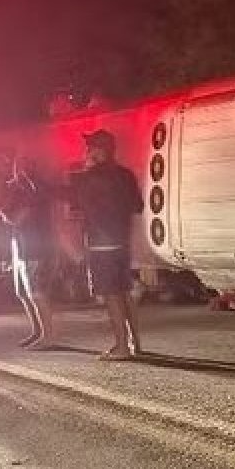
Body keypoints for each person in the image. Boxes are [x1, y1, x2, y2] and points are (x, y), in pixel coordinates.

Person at [69, 130, 143, 359]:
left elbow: (76, 208)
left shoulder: (88, 177)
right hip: (122, 240)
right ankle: (134, 343)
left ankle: (121, 347)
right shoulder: (125, 174)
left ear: (98, 151)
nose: (86, 152)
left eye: (89, 148)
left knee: (111, 294)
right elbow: (138, 206)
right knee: (124, 291)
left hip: (101, 243)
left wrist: (85, 173)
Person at [0, 156, 57, 348]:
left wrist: (9, 215)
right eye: (17, 166)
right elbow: (8, 213)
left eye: (24, 166)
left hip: (35, 246)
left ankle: (48, 336)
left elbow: (17, 218)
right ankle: (37, 331)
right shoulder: (17, 189)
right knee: (23, 293)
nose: (18, 170)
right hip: (21, 245)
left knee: (36, 292)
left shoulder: (35, 189)